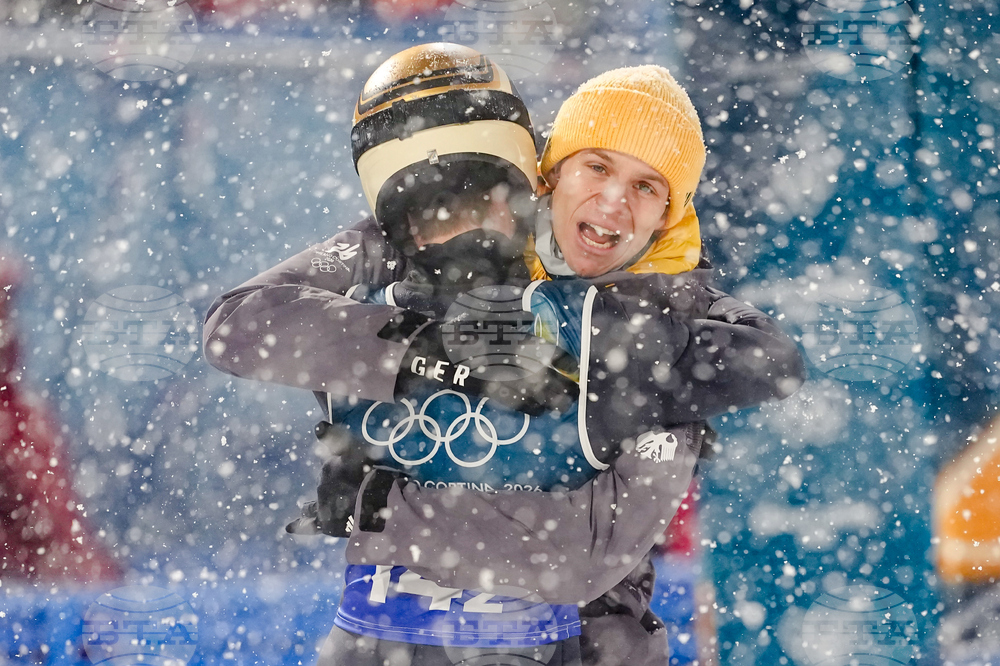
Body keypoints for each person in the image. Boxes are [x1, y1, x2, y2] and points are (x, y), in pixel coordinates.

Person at [204, 45, 803, 665]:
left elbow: (578, 559)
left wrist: (380, 505)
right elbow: (239, 323)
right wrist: (420, 346)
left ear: (666, 216)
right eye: (596, 167)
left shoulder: (677, 327)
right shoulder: (448, 222)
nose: (613, 202)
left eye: (647, 187)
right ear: (550, 169)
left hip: (588, 647)